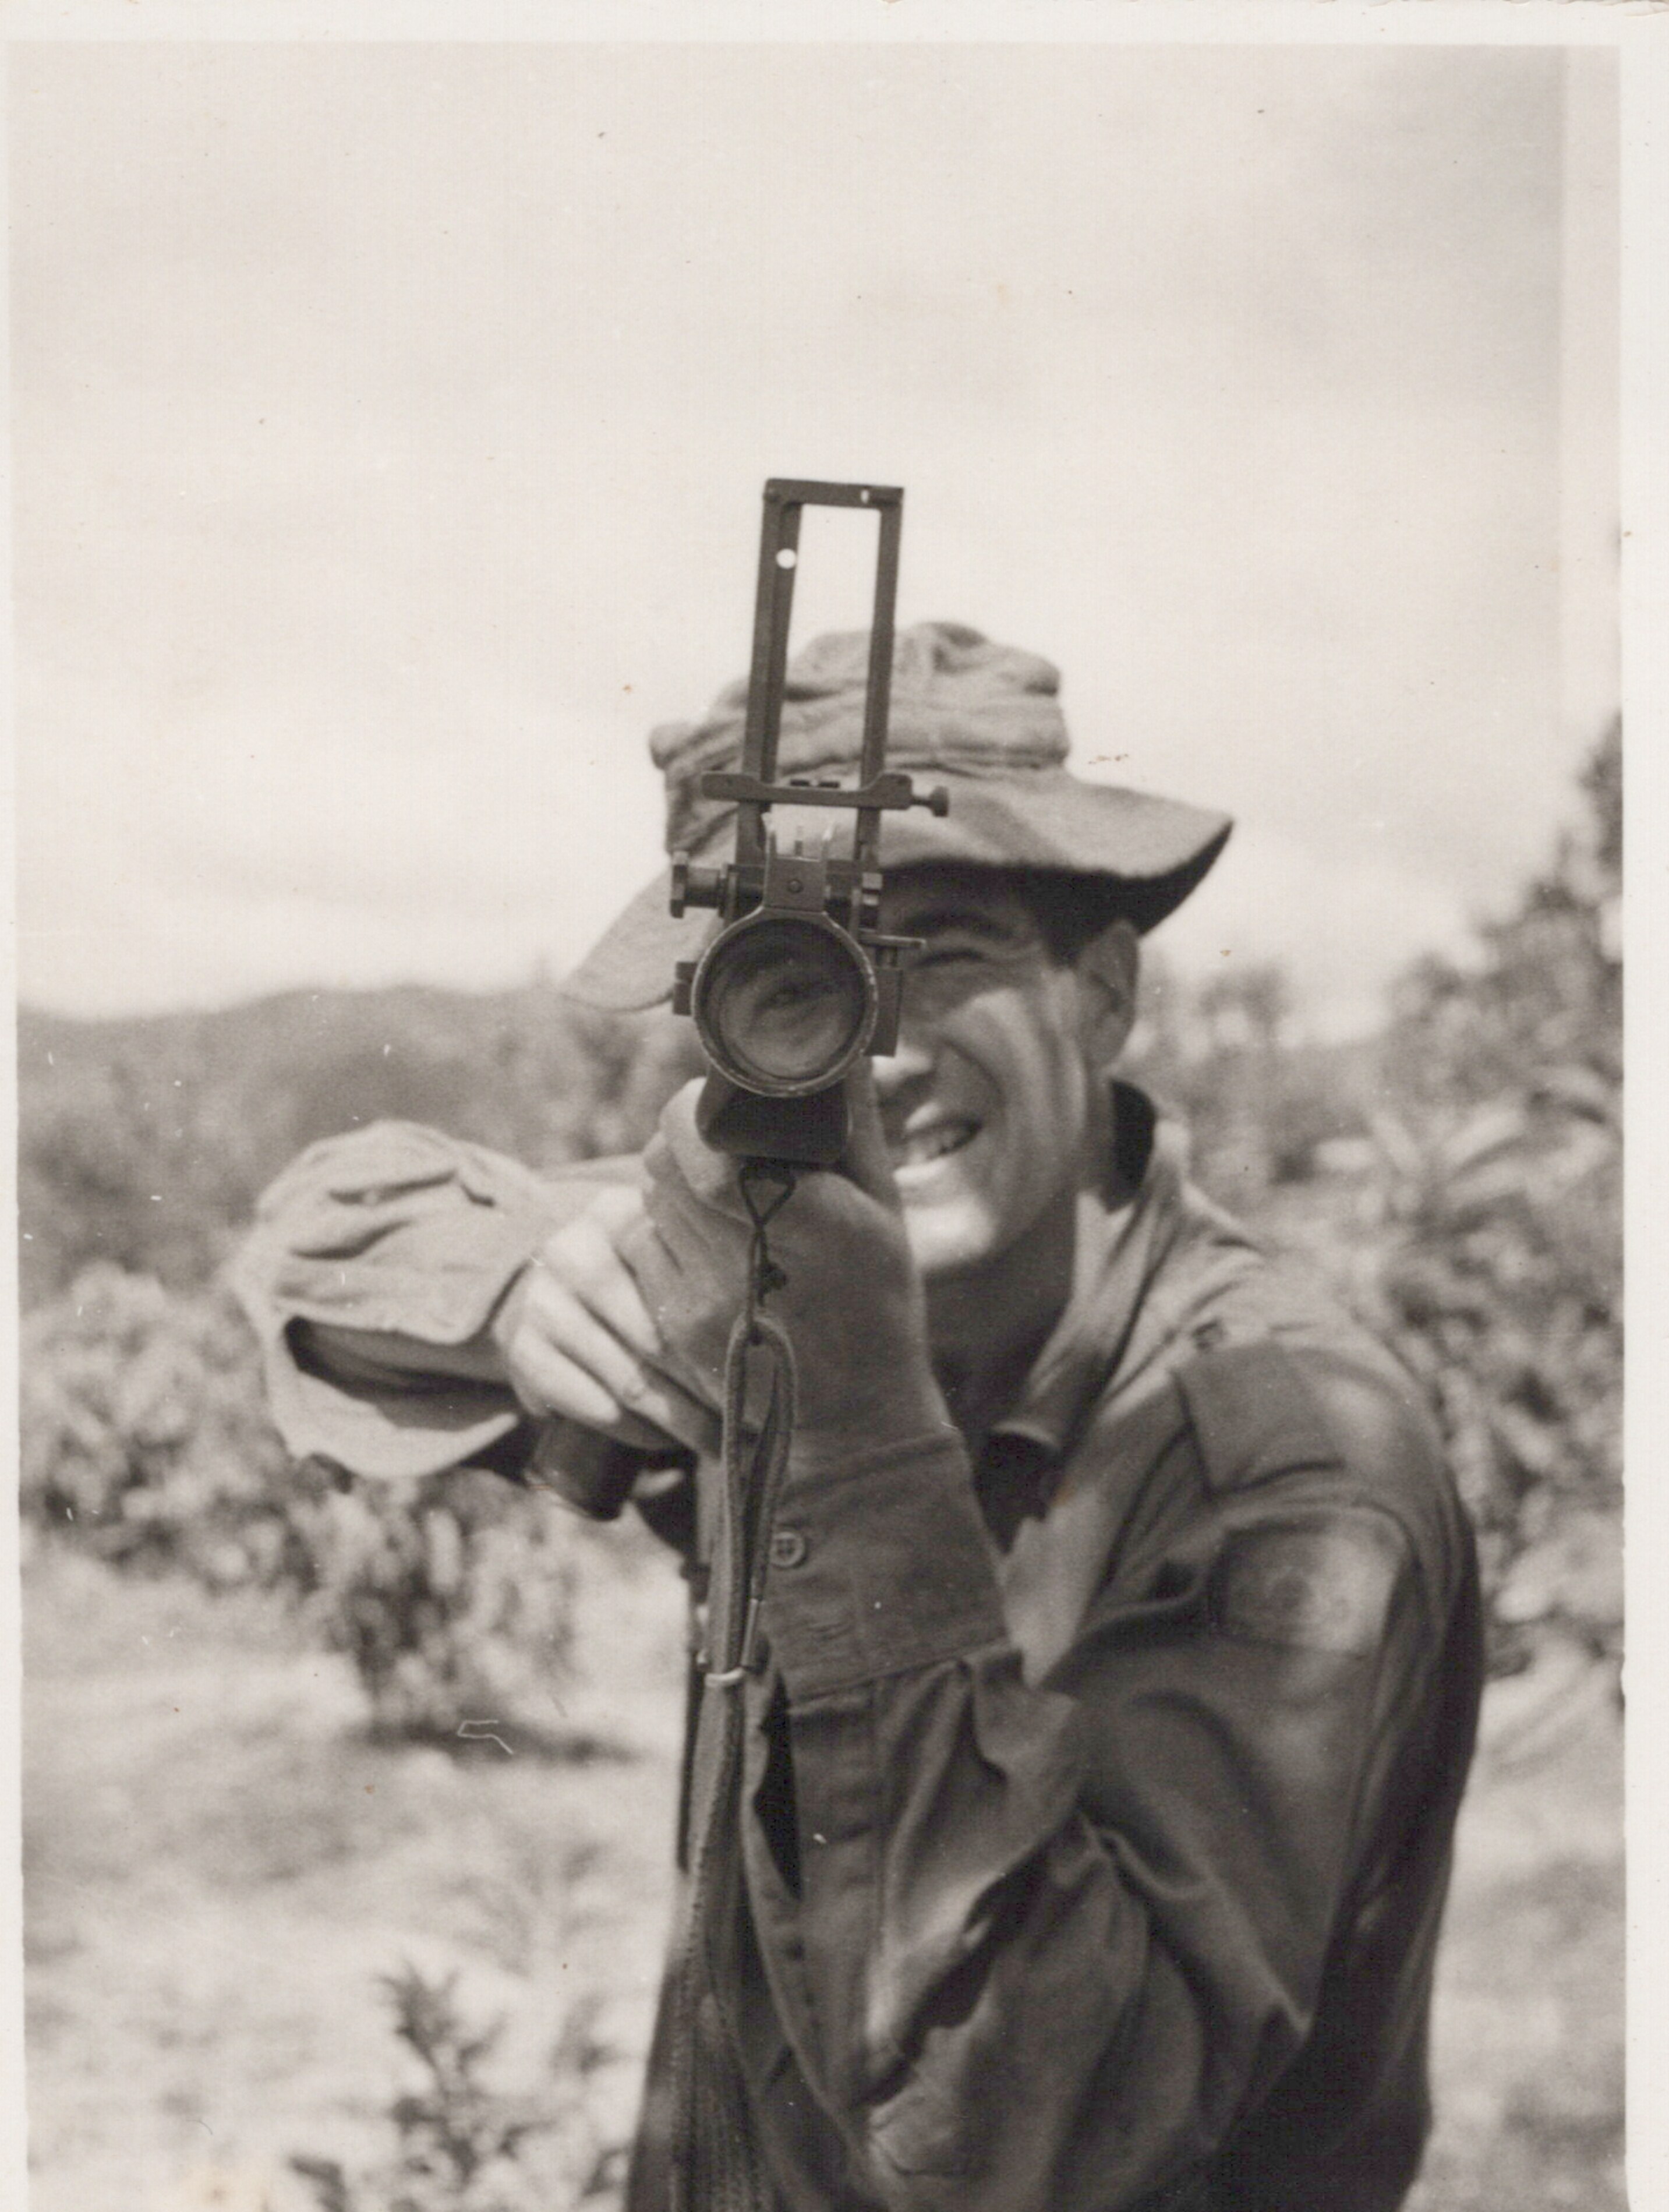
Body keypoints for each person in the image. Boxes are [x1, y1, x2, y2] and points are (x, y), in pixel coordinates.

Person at [235, 623, 1483, 2212]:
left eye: (943, 949)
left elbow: (1047, 2141)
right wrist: (520, 1286)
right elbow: (317, 1238)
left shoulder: (1290, 1459)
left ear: (1101, 994)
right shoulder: (785, 1257)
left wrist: (848, 1441)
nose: (875, 1055)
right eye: (798, 973)